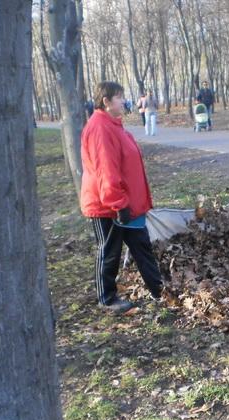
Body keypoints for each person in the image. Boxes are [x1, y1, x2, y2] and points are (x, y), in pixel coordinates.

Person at [80, 81, 163, 313]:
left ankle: (159, 290)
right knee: (110, 252)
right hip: (108, 206)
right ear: (106, 101)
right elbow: (106, 170)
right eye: (119, 97)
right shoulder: (100, 128)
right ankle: (106, 299)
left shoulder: (114, 125)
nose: (124, 101)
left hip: (127, 204)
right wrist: (118, 204)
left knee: (141, 246)